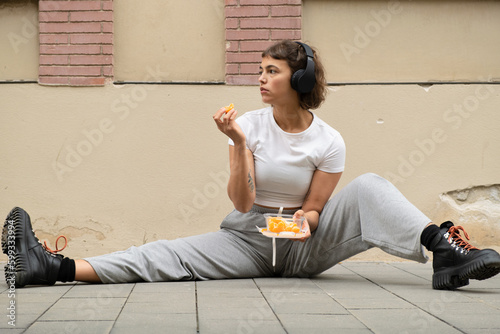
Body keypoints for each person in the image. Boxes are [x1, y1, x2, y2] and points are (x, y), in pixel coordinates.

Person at [3, 40, 500, 290]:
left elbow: (312, 215)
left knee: (370, 185)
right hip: (245, 238)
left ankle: (444, 252)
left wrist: (295, 227)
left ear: (300, 78)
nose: (260, 79)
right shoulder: (248, 125)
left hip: (305, 247)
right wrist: (239, 143)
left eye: (272, 71)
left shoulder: (329, 141)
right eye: (260, 70)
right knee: (165, 255)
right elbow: (241, 201)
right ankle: (52, 267)